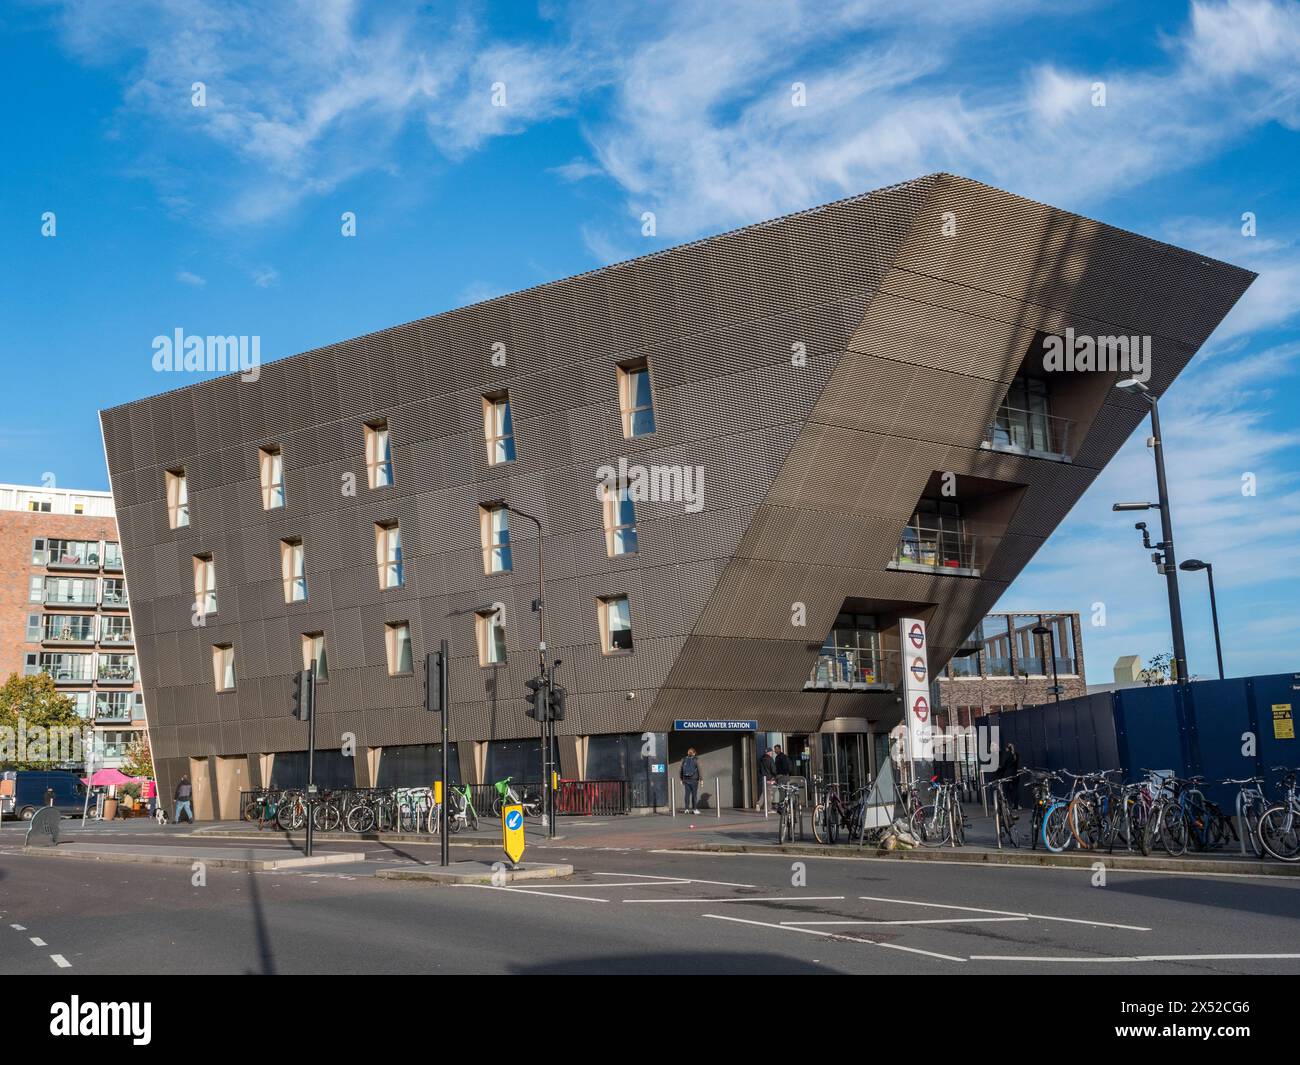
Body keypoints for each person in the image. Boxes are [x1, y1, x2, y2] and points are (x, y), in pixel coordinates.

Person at [997, 742, 1021, 809]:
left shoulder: (1007, 755)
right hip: (1015, 774)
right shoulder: (1016, 754)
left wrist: (999, 767)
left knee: (1005, 789)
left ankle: (1009, 804)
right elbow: (1017, 765)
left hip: (1008, 774)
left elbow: (1004, 766)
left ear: (1007, 748)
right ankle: (1016, 806)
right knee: (1015, 790)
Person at [680, 748, 701, 815]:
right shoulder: (696, 760)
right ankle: (694, 809)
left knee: (687, 794)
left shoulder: (684, 759)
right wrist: (701, 779)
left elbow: (681, 770)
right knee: (694, 795)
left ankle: (686, 809)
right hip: (694, 780)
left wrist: (681, 779)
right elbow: (699, 770)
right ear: (694, 753)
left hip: (686, 779)